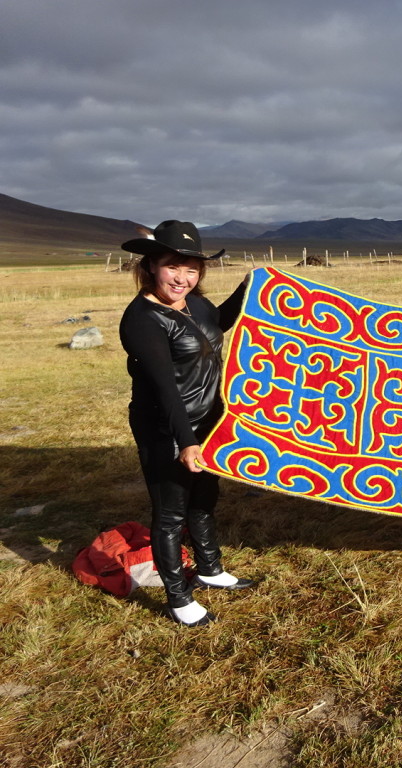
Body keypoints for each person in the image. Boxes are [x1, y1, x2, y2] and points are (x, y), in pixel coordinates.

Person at [120, 220, 254, 626]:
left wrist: (253, 286)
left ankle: (210, 569)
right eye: (173, 267)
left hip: (209, 418)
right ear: (151, 267)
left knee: (204, 497)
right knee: (171, 510)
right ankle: (178, 598)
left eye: (191, 269)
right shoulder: (143, 320)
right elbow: (165, 389)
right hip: (167, 426)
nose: (182, 277)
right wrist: (186, 442)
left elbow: (218, 323)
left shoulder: (194, 303)